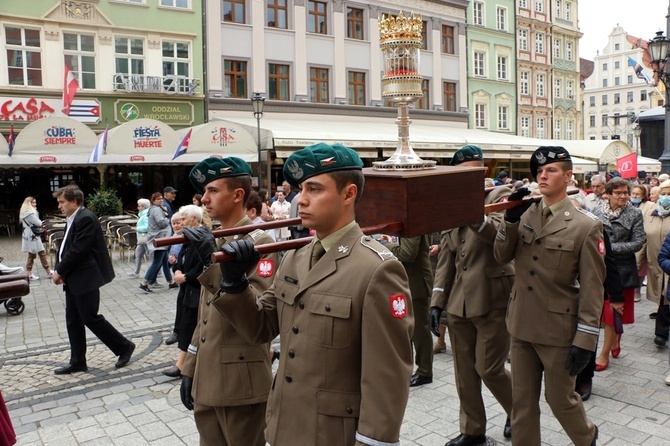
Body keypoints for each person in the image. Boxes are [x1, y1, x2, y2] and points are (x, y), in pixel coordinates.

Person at [210, 143, 414, 446]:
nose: (300, 200)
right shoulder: (296, 257)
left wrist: (373, 441)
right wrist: (234, 284)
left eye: (314, 190)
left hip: (332, 434)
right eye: (301, 189)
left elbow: (388, 376)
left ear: (349, 194)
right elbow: (260, 327)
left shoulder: (377, 270)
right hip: (283, 424)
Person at [493, 146, 604, 446]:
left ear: (569, 177)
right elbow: (502, 256)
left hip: (557, 330)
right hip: (521, 324)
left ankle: (587, 437)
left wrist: (586, 341)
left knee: (560, 400)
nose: (542, 176)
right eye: (539, 171)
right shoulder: (526, 212)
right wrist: (510, 221)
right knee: (522, 404)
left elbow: (594, 289)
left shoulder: (586, 225)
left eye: (551, 170)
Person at [179, 156, 279, 446]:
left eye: (213, 191)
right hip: (207, 378)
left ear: (237, 195)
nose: (204, 199)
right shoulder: (215, 239)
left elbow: (256, 319)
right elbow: (205, 316)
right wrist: (190, 367)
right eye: (204, 192)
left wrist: (217, 266)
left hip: (241, 380)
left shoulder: (260, 243)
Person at [430, 145, 514, 445]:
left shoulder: (500, 198)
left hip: (493, 298)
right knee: (465, 373)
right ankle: (472, 430)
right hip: (459, 304)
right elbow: (447, 259)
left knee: (490, 369)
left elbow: (505, 242)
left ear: (484, 172)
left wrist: (478, 219)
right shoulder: (450, 206)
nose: (471, 177)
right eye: (464, 172)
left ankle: (519, 412)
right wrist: (437, 301)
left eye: (476, 171)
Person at [51, 185, 135, 374]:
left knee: (90, 317)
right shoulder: (72, 218)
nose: (59, 206)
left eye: (62, 202)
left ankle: (124, 346)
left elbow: (78, 250)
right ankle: (78, 361)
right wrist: (60, 270)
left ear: (74, 201)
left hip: (86, 276)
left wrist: (60, 271)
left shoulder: (86, 218)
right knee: (73, 320)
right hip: (74, 277)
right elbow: (65, 247)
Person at [592, 178, 645, 371]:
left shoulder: (635, 213)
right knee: (606, 314)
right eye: (618, 193)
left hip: (622, 271)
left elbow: (638, 241)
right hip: (600, 269)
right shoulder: (596, 210)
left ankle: (604, 354)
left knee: (614, 313)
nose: (623, 196)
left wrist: (609, 248)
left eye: (626, 192)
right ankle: (614, 340)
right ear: (608, 194)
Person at [381, 234, 433, 387]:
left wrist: (384, 245)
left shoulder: (412, 223)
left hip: (415, 282)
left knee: (419, 330)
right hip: (404, 281)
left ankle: (425, 371)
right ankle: (405, 368)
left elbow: (407, 253)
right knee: (403, 328)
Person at [162, 205, 205, 378]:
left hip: (196, 290)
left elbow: (204, 266)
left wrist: (186, 276)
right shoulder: (189, 238)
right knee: (188, 325)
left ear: (194, 219)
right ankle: (184, 364)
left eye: (184, 219)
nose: (181, 223)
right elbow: (181, 259)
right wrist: (177, 270)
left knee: (190, 327)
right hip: (187, 290)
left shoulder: (202, 237)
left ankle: (182, 366)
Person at [643, 180, 670, 347]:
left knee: (665, 299)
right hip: (656, 264)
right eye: (663, 194)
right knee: (662, 298)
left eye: (669, 194)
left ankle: (661, 333)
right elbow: (644, 238)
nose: (666, 197)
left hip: (668, 266)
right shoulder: (651, 213)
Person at [139, 193, 175, 293]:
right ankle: (144, 283)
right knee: (156, 262)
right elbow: (161, 223)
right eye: (158, 199)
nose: (161, 200)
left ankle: (171, 282)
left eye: (161, 199)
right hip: (159, 239)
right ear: (153, 200)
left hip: (160, 239)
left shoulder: (156, 208)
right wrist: (168, 218)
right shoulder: (156, 209)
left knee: (164, 262)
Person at [19, 196, 53, 281]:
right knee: (40, 253)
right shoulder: (30, 213)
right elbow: (37, 222)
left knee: (33, 254)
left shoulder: (25, 212)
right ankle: (47, 271)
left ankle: (29, 272)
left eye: (35, 202)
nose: (35, 204)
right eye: (33, 202)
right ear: (28, 203)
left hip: (29, 236)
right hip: (33, 236)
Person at [164, 212, 184, 346]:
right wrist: (171, 261)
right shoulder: (174, 238)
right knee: (181, 302)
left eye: (178, 223)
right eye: (174, 223)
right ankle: (177, 331)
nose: (176, 226)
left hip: (185, 274)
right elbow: (172, 256)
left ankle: (179, 331)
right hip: (178, 273)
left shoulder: (186, 237)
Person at [128, 198, 150, 278]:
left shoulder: (146, 215)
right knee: (138, 254)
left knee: (151, 256)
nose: (138, 207)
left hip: (145, 238)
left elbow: (147, 227)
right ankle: (136, 272)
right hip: (142, 240)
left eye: (139, 206)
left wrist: (137, 229)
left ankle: (158, 272)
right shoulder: (143, 215)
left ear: (144, 207)